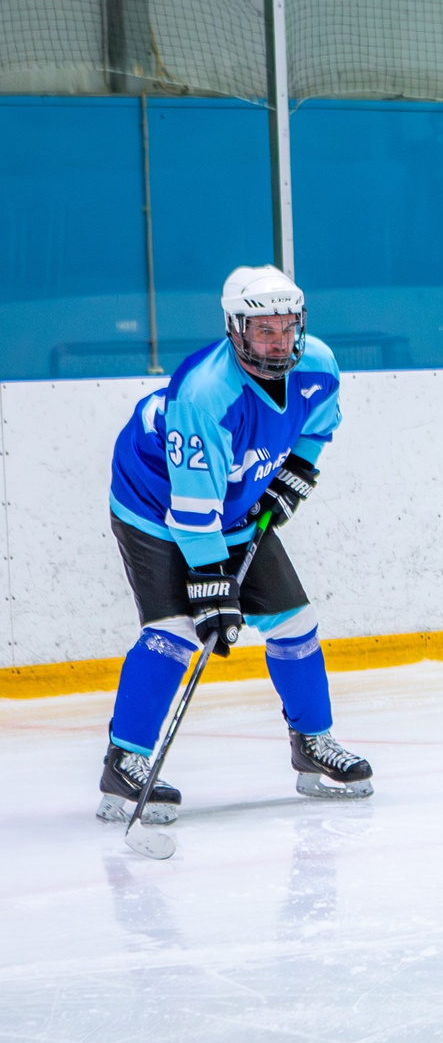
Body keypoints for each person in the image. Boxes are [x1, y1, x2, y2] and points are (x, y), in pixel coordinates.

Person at [97, 265, 374, 834]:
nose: (278, 341)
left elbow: (315, 428)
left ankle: (312, 743)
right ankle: (124, 760)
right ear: (236, 329)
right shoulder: (206, 394)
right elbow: (193, 510)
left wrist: (297, 471)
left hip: (234, 504)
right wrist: (212, 584)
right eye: (264, 329)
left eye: (286, 327)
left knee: (297, 622)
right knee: (176, 630)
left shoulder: (317, 364)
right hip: (154, 505)